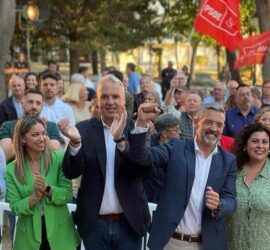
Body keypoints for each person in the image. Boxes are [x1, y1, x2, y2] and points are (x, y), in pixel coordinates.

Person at [127, 103, 237, 250]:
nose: (214, 129)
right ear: (196, 122)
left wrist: (219, 204)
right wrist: (141, 124)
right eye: (208, 122)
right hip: (171, 242)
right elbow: (142, 157)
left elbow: (231, 200)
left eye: (219, 124)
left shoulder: (228, 160)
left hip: (207, 244)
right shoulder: (176, 147)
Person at [59, 74, 151, 249]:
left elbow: (143, 169)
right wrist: (75, 144)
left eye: (115, 96)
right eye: (105, 96)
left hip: (129, 224)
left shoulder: (136, 129)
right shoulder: (83, 129)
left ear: (124, 100)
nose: (110, 102)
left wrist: (122, 144)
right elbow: (71, 172)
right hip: (94, 225)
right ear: (98, 101)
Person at [5, 116, 80, 250]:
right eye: (35, 135)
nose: (42, 138)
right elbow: (15, 207)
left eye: (44, 133)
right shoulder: (11, 169)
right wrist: (35, 197)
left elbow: (68, 194)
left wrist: (48, 189)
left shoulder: (59, 159)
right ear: (22, 138)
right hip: (28, 240)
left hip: (61, 235)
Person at [0, 89, 63, 162]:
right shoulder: (7, 126)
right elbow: (4, 156)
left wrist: (43, 131)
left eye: (38, 103)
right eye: (30, 102)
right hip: (15, 171)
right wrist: (22, 130)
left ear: (42, 106)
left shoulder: (51, 126)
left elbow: (56, 153)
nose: (34, 106)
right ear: (22, 103)